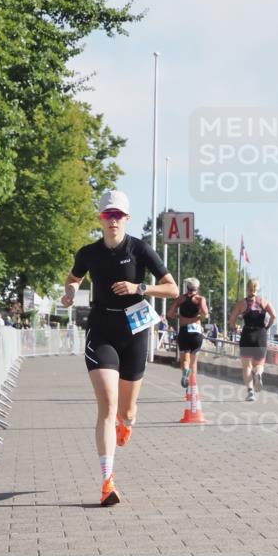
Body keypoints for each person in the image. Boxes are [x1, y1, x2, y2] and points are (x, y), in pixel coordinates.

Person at [60, 190, 178, 506]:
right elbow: (72, 279)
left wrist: (139, 287)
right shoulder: (88, 252)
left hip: (135, 329)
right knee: (108, 407)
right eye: (107, 215)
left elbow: (172, 287)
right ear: (100, 218)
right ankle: (107, 482)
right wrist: (70, 291)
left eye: (118, 216)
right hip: (101, 328)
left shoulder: (139, 249)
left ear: (126, 218)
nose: (112, 221)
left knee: (126, 411)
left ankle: (127, 424)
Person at [228, 279, 276, 401]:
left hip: (247, 335)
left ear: (247, 288)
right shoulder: (264, 302)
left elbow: (231, 320)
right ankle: (259, 374)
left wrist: (235, 328)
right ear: (257, 288)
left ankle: (250, 392)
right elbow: (274, 316)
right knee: (259, 364)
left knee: (247, 367)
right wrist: (267, 327)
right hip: (261, 335)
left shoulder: (242, 303)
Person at [166, 278, 210, 388]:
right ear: (197, 288)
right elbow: (205, 313)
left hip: (184, 331)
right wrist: (199, 316)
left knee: (185, 360)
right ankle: (193, 387)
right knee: (193, 362)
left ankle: (185, 372)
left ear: (187, 287)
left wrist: (180, 316)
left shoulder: (180, 299)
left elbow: (170, 313)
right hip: (196, 332)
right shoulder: (200, 299)